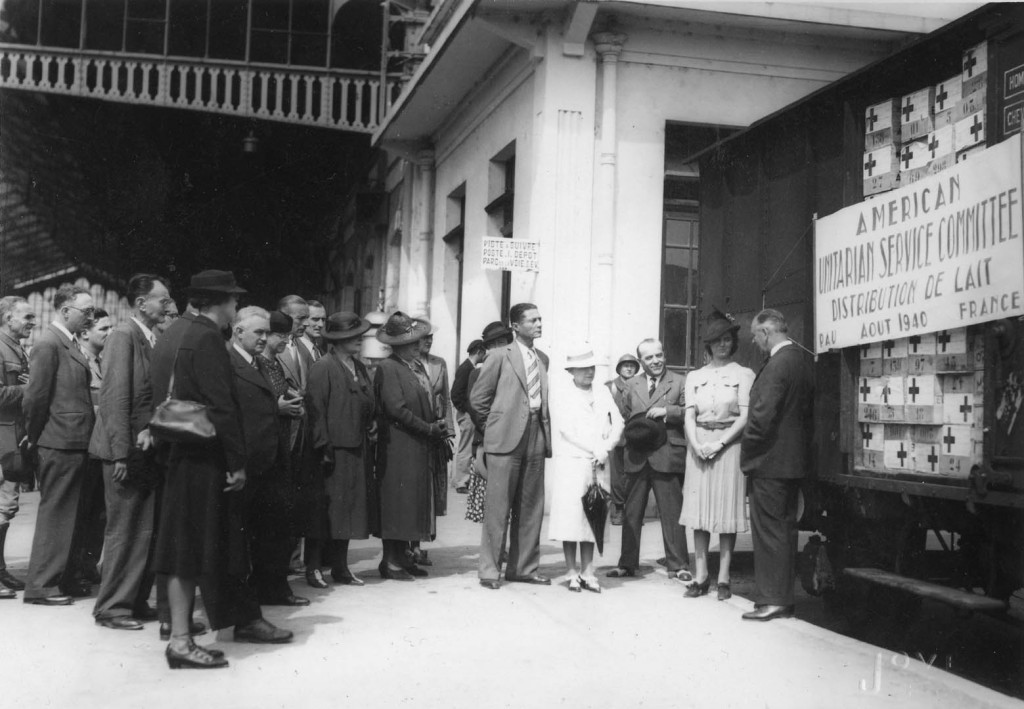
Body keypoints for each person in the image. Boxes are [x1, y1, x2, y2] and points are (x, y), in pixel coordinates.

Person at [151, 270, 292, 670]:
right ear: (221, 303)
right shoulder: (208, 338)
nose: (234, 307)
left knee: (184, 548)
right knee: (192, 551)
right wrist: (236, 464)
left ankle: (181, 634)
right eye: (232, 301)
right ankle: (180, 642)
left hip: (180, 453)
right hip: (205, 459)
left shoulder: (176, 333)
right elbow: (222, 407)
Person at [90, 275, 169, 630]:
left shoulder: (150, 337)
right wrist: (120, 454)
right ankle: (111, 608)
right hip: (124, 451)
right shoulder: (124, 336)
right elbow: (115, 397)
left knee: (143, 529)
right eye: (161, 300)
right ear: (141, 303)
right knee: (124, 530)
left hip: (143, 449)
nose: (166, 306)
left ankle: (135, 600)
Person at [22, 284, 96, 606]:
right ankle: (41, 585)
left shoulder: (67, 342)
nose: (91, 317)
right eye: (87, 312)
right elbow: (35, 397)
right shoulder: (49, 343)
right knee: (57, 514)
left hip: (72, 440)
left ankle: (59, 579)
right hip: (59, 441)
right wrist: (36, 436)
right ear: (66, 311)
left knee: (69, 515)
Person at [229, 307, 308, 607]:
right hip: (254, 457)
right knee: (254, 530)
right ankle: (259, 590)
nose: (272, 340)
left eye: (269, 333)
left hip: (277, 453)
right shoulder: (246, 363)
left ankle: (273, 587)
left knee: (274, 526)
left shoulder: (268, 364)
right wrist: (279, 408)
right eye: (263, 333)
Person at [470, 303, 551, 590]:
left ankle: (523, 568)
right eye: (532, 320)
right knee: (498, 507)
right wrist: (492, 429)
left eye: (540, 319)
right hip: (504, 439)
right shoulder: (498, 356)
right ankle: (490, 571)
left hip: (535, 436)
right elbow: (478, 400)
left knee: (531, 507)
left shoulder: (542, 358)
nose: (539, 324)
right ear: (516, 326)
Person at [740, 308, 814, 621]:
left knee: (769, 533)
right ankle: (782, 598)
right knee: (783, 531)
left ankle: (772, 600)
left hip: (770, 462)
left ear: (767, 332)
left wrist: (748, 450)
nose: (755, 343)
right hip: (792, 462)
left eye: (756, 336)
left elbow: (761, 417)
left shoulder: (776, 364)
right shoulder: (801, 359)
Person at [679, 310, 754, 600]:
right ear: (708, 345)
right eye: (717, 340)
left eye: (727, 339)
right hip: (699, 445)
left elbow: (745, 415)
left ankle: (723, 577)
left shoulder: (743, 374)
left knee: (725, 513)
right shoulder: (695, 376)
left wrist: (721, 443)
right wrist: (696, 444)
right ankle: (701, 576)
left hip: (728, 445)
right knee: (699, 515)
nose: (723, 345)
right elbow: (688, 415)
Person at [607, 338, 690, 581]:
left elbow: (690, 411)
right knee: (631, 512)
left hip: (666, 454)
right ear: (641, 361)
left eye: (659, 355)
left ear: (664, 355)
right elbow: (625, 414)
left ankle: (678, 565)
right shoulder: (631, 384)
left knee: (672, 512)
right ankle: (627, 564)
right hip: (636, 455)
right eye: (649, 357)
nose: (655, 361)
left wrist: (669, 412)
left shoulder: (679, 381)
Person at [373, 312, 446, 580]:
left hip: (414, 446)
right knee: (398, 504)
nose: (418, 345)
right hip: (399, 447)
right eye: (412, 341)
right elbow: (396, 409)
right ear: (398, 345)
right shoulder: (389, 368)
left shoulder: (409, 366)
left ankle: (402, 558)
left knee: (410, 503)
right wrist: (427, 428)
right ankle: (390, 561)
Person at [305, 312, 375, 588]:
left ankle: (340, 567)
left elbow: (368, 401)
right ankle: (313, 568)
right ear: (337, 340)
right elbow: (316, 410)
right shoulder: (323, 367)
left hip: (357, 448)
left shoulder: (358, 365)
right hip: (333, 451)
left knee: (348, 510)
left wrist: (371, 423)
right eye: (352, 336)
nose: (359, 340)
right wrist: (322, 447)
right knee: (325, 510)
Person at [548, 346, 623, 593]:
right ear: (572, 371)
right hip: (573, 460)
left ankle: (588, 571)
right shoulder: (563, 394)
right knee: (571, 517)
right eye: (583, 368)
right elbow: (566, 429)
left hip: (599, 462)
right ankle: (571, 570)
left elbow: (618, 422)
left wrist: (606, 447)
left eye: (592, 368)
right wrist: (594, 448)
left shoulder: (602, 392)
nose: (589, 372)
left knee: (594, 516)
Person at [73, 308, 113, 589]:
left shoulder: (102, 361)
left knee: (98, 511)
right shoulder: (78, 362)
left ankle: (88, 564)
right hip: (83, 447)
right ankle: (74, 568)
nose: (109, 334)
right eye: (104, 329)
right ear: (85, 332)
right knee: (81, 510)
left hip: (99, 447)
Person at [0, 296, 36, 598]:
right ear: (8, 317)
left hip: (14, 438)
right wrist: (28, 388)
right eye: (26, 317)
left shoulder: (16, 349)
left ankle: (0, 571)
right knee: (1, 506)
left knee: (6, 507)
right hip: (2, 439)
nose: (32, 322)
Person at [606, 353, 639, 525]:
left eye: (632, 365)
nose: (628, 368)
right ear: (619, 368)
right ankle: (618, 509)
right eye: (625, 365)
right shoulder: (609, 387)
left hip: (636, 437)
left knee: (634, 475)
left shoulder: (641, 385)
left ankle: (633, 511)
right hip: (616, 436)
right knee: (617, 476)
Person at [450, 339, 486, 493]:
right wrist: (467, 411)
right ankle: (461, 482)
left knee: (465, 446)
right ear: (479, 352)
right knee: (465, 447)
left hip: (467, 413)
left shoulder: (467, 367)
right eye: (484, 353)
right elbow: (456, 394)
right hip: (467, 415)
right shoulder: (467, 368)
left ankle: (461, 480)